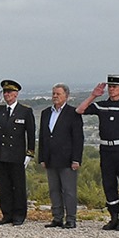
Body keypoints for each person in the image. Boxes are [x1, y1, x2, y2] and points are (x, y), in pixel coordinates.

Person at [77, 76, 119, 230]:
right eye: (110, 86)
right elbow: (80, 110)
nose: (112, 89)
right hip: (106, 150)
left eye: (115, 86)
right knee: (109, 183)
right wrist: (94, 95)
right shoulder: (102, 105)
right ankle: (113, 217)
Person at [36, 83, 85, 228]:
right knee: (54, 190)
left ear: (66, 96)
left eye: (58, 94)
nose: (55, 96)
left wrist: (76, 159)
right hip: (50, 159)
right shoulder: (46, 113)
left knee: (69, 190)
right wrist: (42, 157)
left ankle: (71, 219)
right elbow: (43, 136)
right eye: (53, 94)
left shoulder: (73, 113)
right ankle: (57, 217)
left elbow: (78, 138)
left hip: (67, 159)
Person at [0, 80, 35, 225]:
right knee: (4, 186)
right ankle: (6, 214)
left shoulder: (25, 111)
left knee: (18, 186)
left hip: (17, 154)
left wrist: (30, 153)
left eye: (9, 92)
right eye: (5, 92)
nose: (7, 95)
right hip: (2, 154)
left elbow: (31, 134)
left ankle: (19, 215)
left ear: (16, 94)